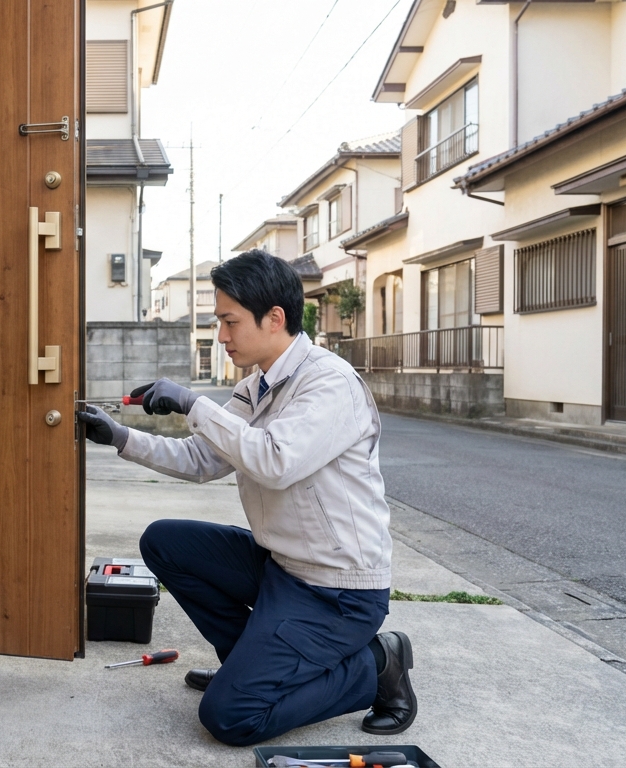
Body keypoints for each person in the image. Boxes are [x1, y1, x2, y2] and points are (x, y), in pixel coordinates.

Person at [75, 249, 417, 746]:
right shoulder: (258, 385)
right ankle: (246, 666)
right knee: (165, 542)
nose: (222, 335)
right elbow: (203, 459)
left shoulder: (330, 384)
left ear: (274, 318)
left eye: (230, 321)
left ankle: (377, 663)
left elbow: (276, 462)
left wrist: (193, 403)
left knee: (231, 717)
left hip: (338, 592)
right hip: (284, 568)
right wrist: (121, 438)